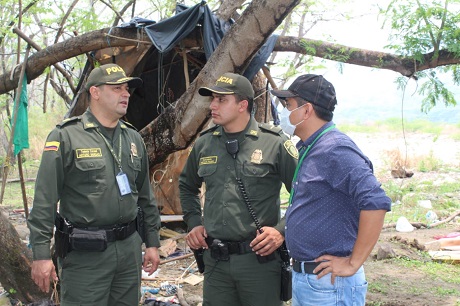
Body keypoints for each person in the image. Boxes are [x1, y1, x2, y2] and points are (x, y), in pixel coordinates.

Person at [27, 63, 161, 306]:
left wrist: (152, 242)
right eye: (117, 88)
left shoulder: (133, 138)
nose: (126, 94)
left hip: (129, 251)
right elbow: (45, 200)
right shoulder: (66, 136)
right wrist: (40, 255)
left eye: (127, 89)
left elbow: (145, 197)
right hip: (86, 254)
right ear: (95, 92)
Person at [271, 74, 392, 306]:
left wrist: (352, 262)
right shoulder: (312, 147)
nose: (284, 112)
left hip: (330, 284)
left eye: (288, 105)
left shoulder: (335, 149)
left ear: (306, 111)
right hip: (312, 280)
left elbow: (375, 202)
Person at [179, 72, 298, 306]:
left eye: (221, 100)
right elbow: (186, 185)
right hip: (216, 262)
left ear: (243, 105)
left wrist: (281, 231)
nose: (213, 105)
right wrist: (194, 222)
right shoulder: (205, 143)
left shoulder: (273, 142)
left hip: (259, 261)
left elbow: (304, 194)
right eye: (213, 99)